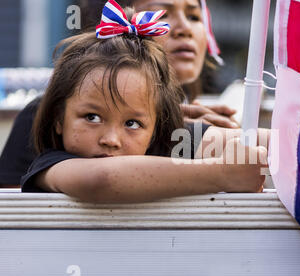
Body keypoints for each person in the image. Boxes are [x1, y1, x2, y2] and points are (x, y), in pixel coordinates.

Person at [20, 1, 268, 203]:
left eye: (132, 123)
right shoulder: (53, 164)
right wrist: (223, 173)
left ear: (156, 128)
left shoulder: (168, 138)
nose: (111, 139)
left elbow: (278, 146)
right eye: (92, 117)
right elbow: (102, 180)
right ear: (58, 120)